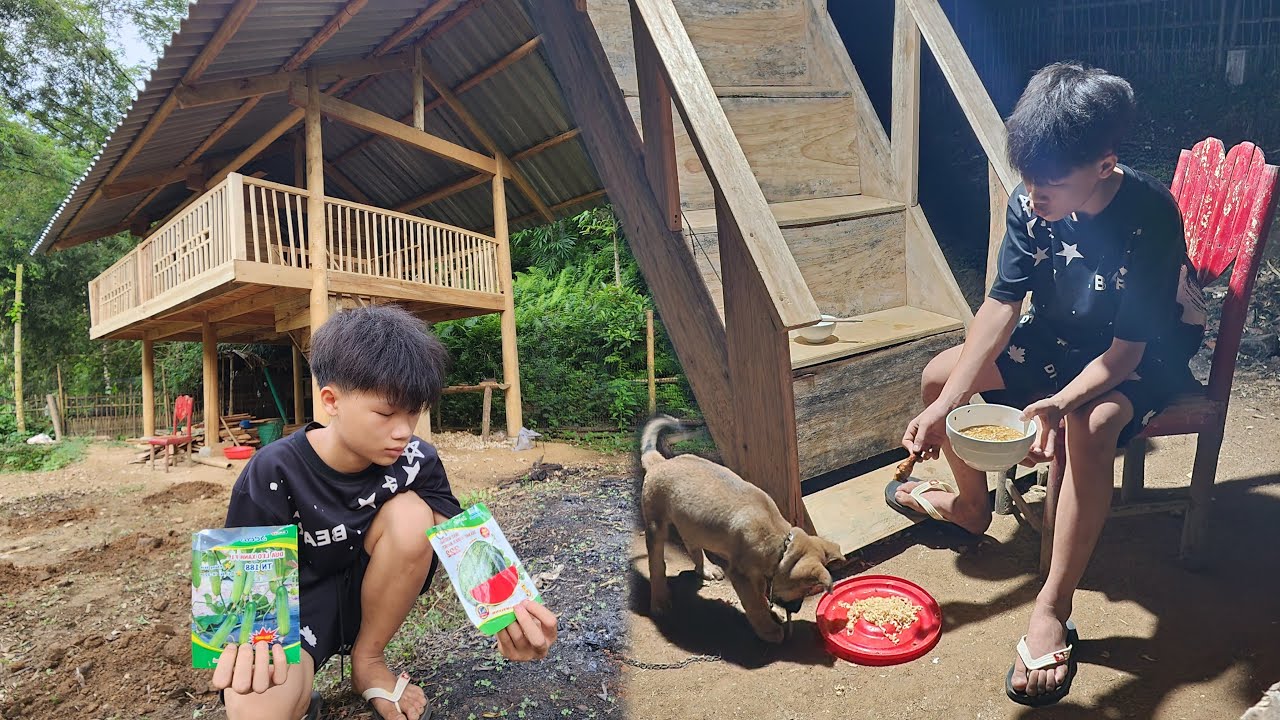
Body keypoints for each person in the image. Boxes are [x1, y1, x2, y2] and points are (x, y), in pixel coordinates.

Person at [892, 62, 1206, 706]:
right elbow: (1003, 305)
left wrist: (1058, 405)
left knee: (1090, 424)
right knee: (939, 375)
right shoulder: (1030, 203)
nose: (1036, 195)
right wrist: (946, 403)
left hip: (1139, 351)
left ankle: (1053, 606)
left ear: (1105, 164)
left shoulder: (1149, 215)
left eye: (1052, 183)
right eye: (1029, 178)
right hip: (1061, 336)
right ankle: (971, 508)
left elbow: (1124, 354)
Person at [212, 305, 558, 720]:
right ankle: (299, 695)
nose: (403, 431)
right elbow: (243, 587)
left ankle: (369, 662)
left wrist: (510, 614)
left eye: (412, 412)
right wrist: (247, 650)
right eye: (385, 413)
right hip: (297, 608)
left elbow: (462, 541)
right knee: (255, 708)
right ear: (331, 400)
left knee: (413, 514)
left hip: (372, 593)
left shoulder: (416, 460)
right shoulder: (272, 471)